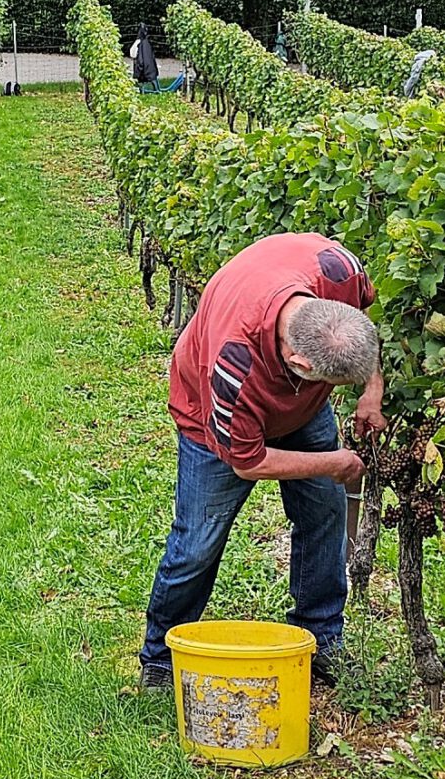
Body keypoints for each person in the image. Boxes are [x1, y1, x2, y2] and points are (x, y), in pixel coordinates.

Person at [142, 233, 383, 691]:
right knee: (198, 543)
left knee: (324, 513)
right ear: (297, 361)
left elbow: (361, 323)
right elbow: (247, 461)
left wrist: (372, 389)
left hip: (299, 408)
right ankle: (160, 656)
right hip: (212, 424)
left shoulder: (339, 271)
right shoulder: (233, 364)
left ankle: (321, 640)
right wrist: (333, 464)